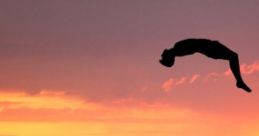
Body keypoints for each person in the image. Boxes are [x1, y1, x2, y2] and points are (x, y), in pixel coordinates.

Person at [159, 38, 252, 92]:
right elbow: (195, 46)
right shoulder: (178, 48)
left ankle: (239, 81)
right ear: (169, 56)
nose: (165, 50)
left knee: (233, 56)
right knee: (233, 56)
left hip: (210, 47)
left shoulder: (177, 48)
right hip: (210, 48)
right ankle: (239, 81)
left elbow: (195, 44)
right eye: (165, 54)